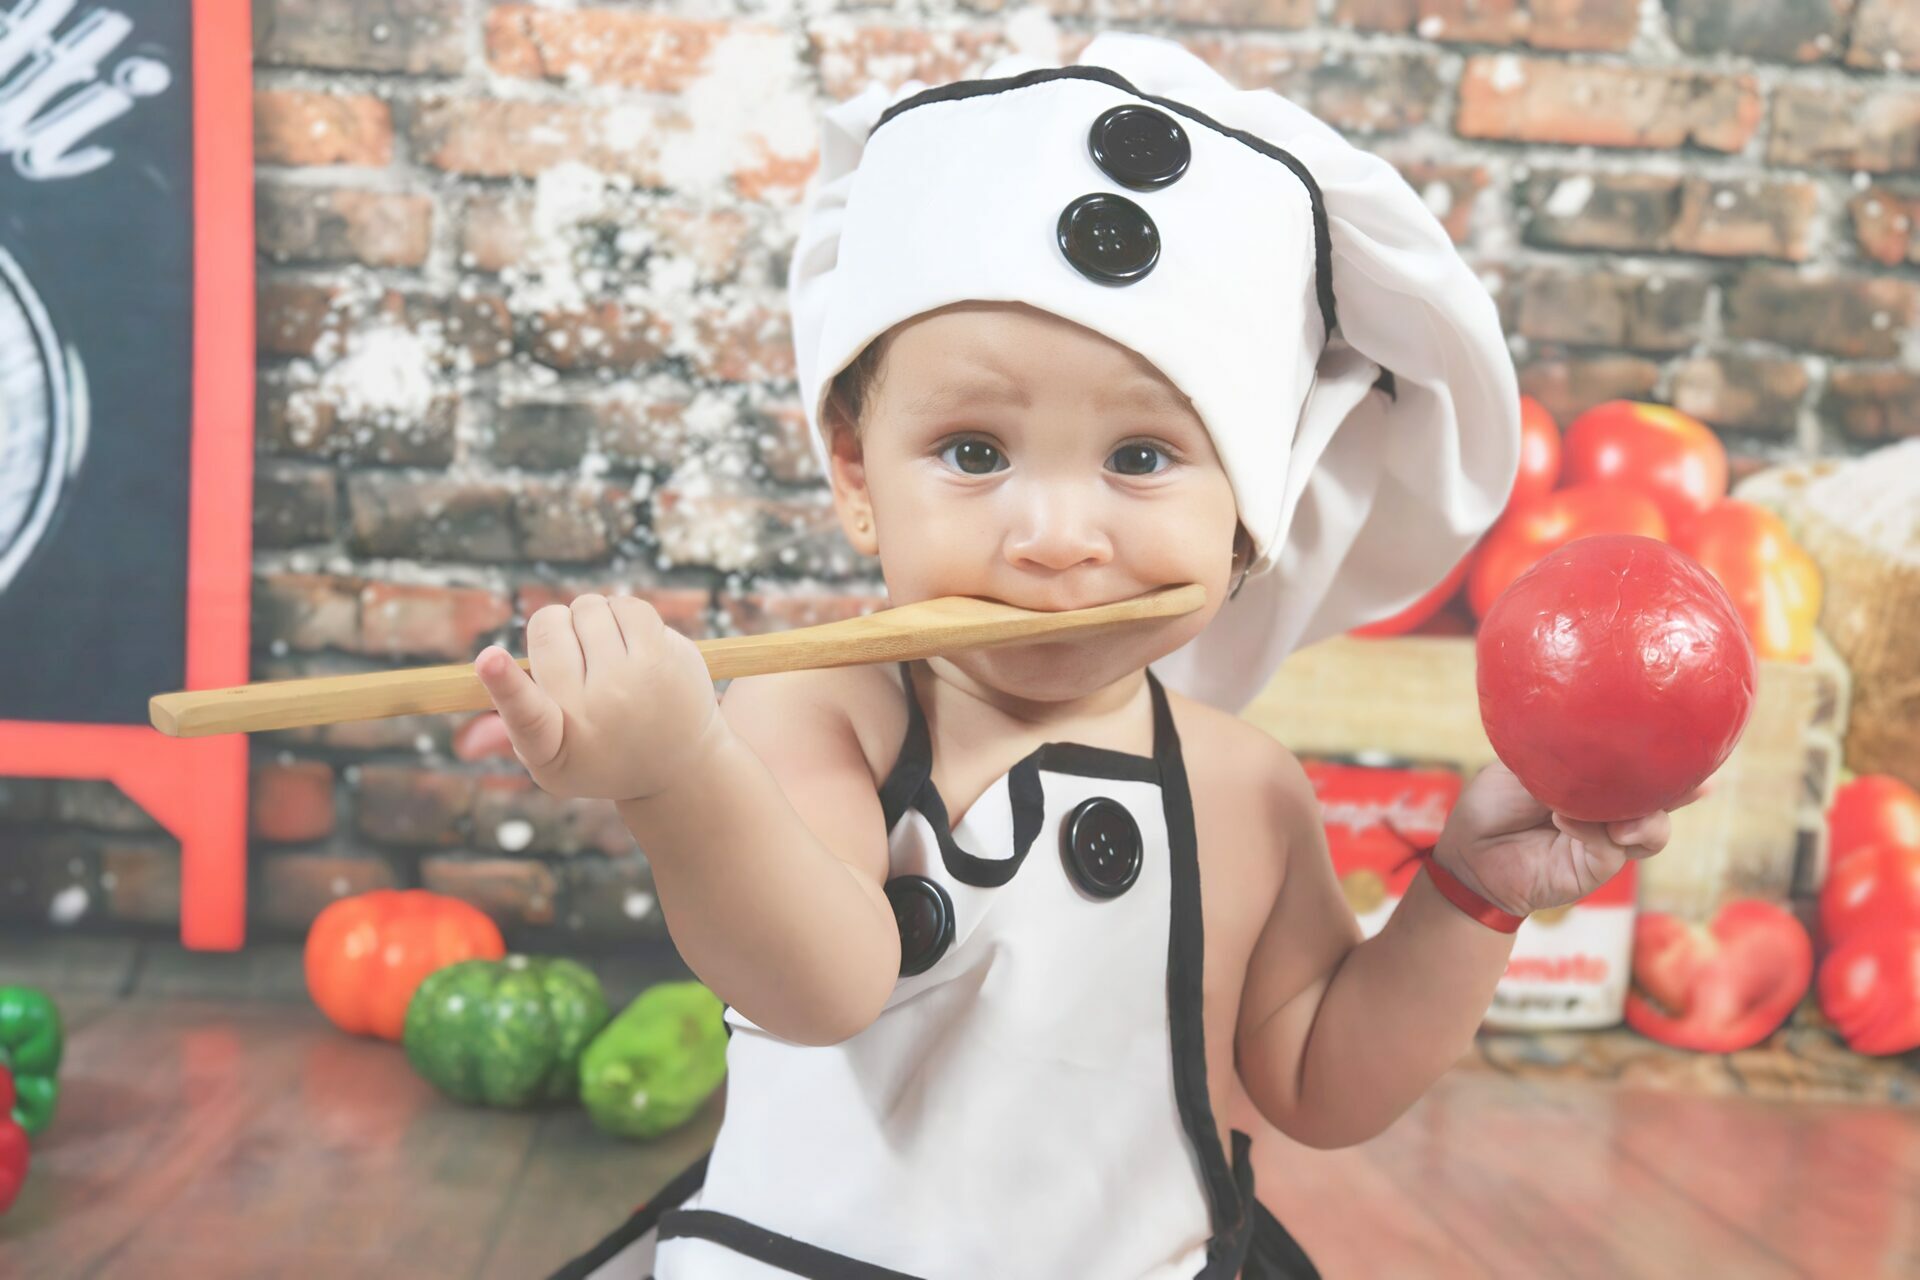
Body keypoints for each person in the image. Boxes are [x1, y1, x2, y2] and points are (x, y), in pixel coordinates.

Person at [472, 33, 1691, 1280]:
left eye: (1141, 458)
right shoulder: (825, 706)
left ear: (1248, 517)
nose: (1055, 537)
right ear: (857, 474)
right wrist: (678, 772)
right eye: (973, 452)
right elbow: (819, 985)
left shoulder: (1244, 783)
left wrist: (1471, 891)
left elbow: (1321, 1079)